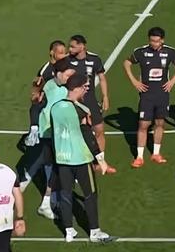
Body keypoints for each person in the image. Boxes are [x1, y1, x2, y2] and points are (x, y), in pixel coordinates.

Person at [50, 74, 113, 243]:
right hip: (81, 159)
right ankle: (94, 231)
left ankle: (69, 231)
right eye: (85, 87)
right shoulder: (82, 110)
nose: (86, 89)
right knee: (90, 194)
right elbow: (89, 138)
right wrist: (101, 160)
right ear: (77, 88)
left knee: (65, 195)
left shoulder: (55, 108)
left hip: (62, 159)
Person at [22, 58, 77, 221]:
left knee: (51, 167)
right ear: (59, 74)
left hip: (57, 134)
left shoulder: (63, 87)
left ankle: (49, 200)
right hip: (50, 134)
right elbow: (36, 106)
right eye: (67, 76)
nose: (69, 79)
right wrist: (34, 127)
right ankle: (47, 201)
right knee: (55, 168)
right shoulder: (50, 88)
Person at [124, 27, 175, 168]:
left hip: (162, 94)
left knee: (160, 123)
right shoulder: (141, 52)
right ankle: (139, 156)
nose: (154, 43)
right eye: (152, 40)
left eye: (157, 41)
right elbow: (126, 63)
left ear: (162, 40)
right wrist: (134, 81)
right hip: (147, 95)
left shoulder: (170, 52)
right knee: (143, 124)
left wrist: (173, 81)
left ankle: (156, 153)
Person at [68, 34, 113, 171]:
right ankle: (77, 165)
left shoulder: (94, 59)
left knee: (99, 130)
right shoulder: (67, 61)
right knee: (76, 133)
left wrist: (105, 96)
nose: (70, 49)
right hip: (74, 103)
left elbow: (102, 78)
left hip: (91, 101)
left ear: (82, 46)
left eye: (73, 46)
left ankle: (100, 162)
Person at [26, 40, 67, 147]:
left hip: (62, 98)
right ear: (52, 53)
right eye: (61, 52)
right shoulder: (46, 69)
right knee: (35, 107)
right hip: (49, 99)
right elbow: (37, 84)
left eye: (65, 52)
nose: (64, 55)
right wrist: (36, 94)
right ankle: (34, 131)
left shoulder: (66, 66)